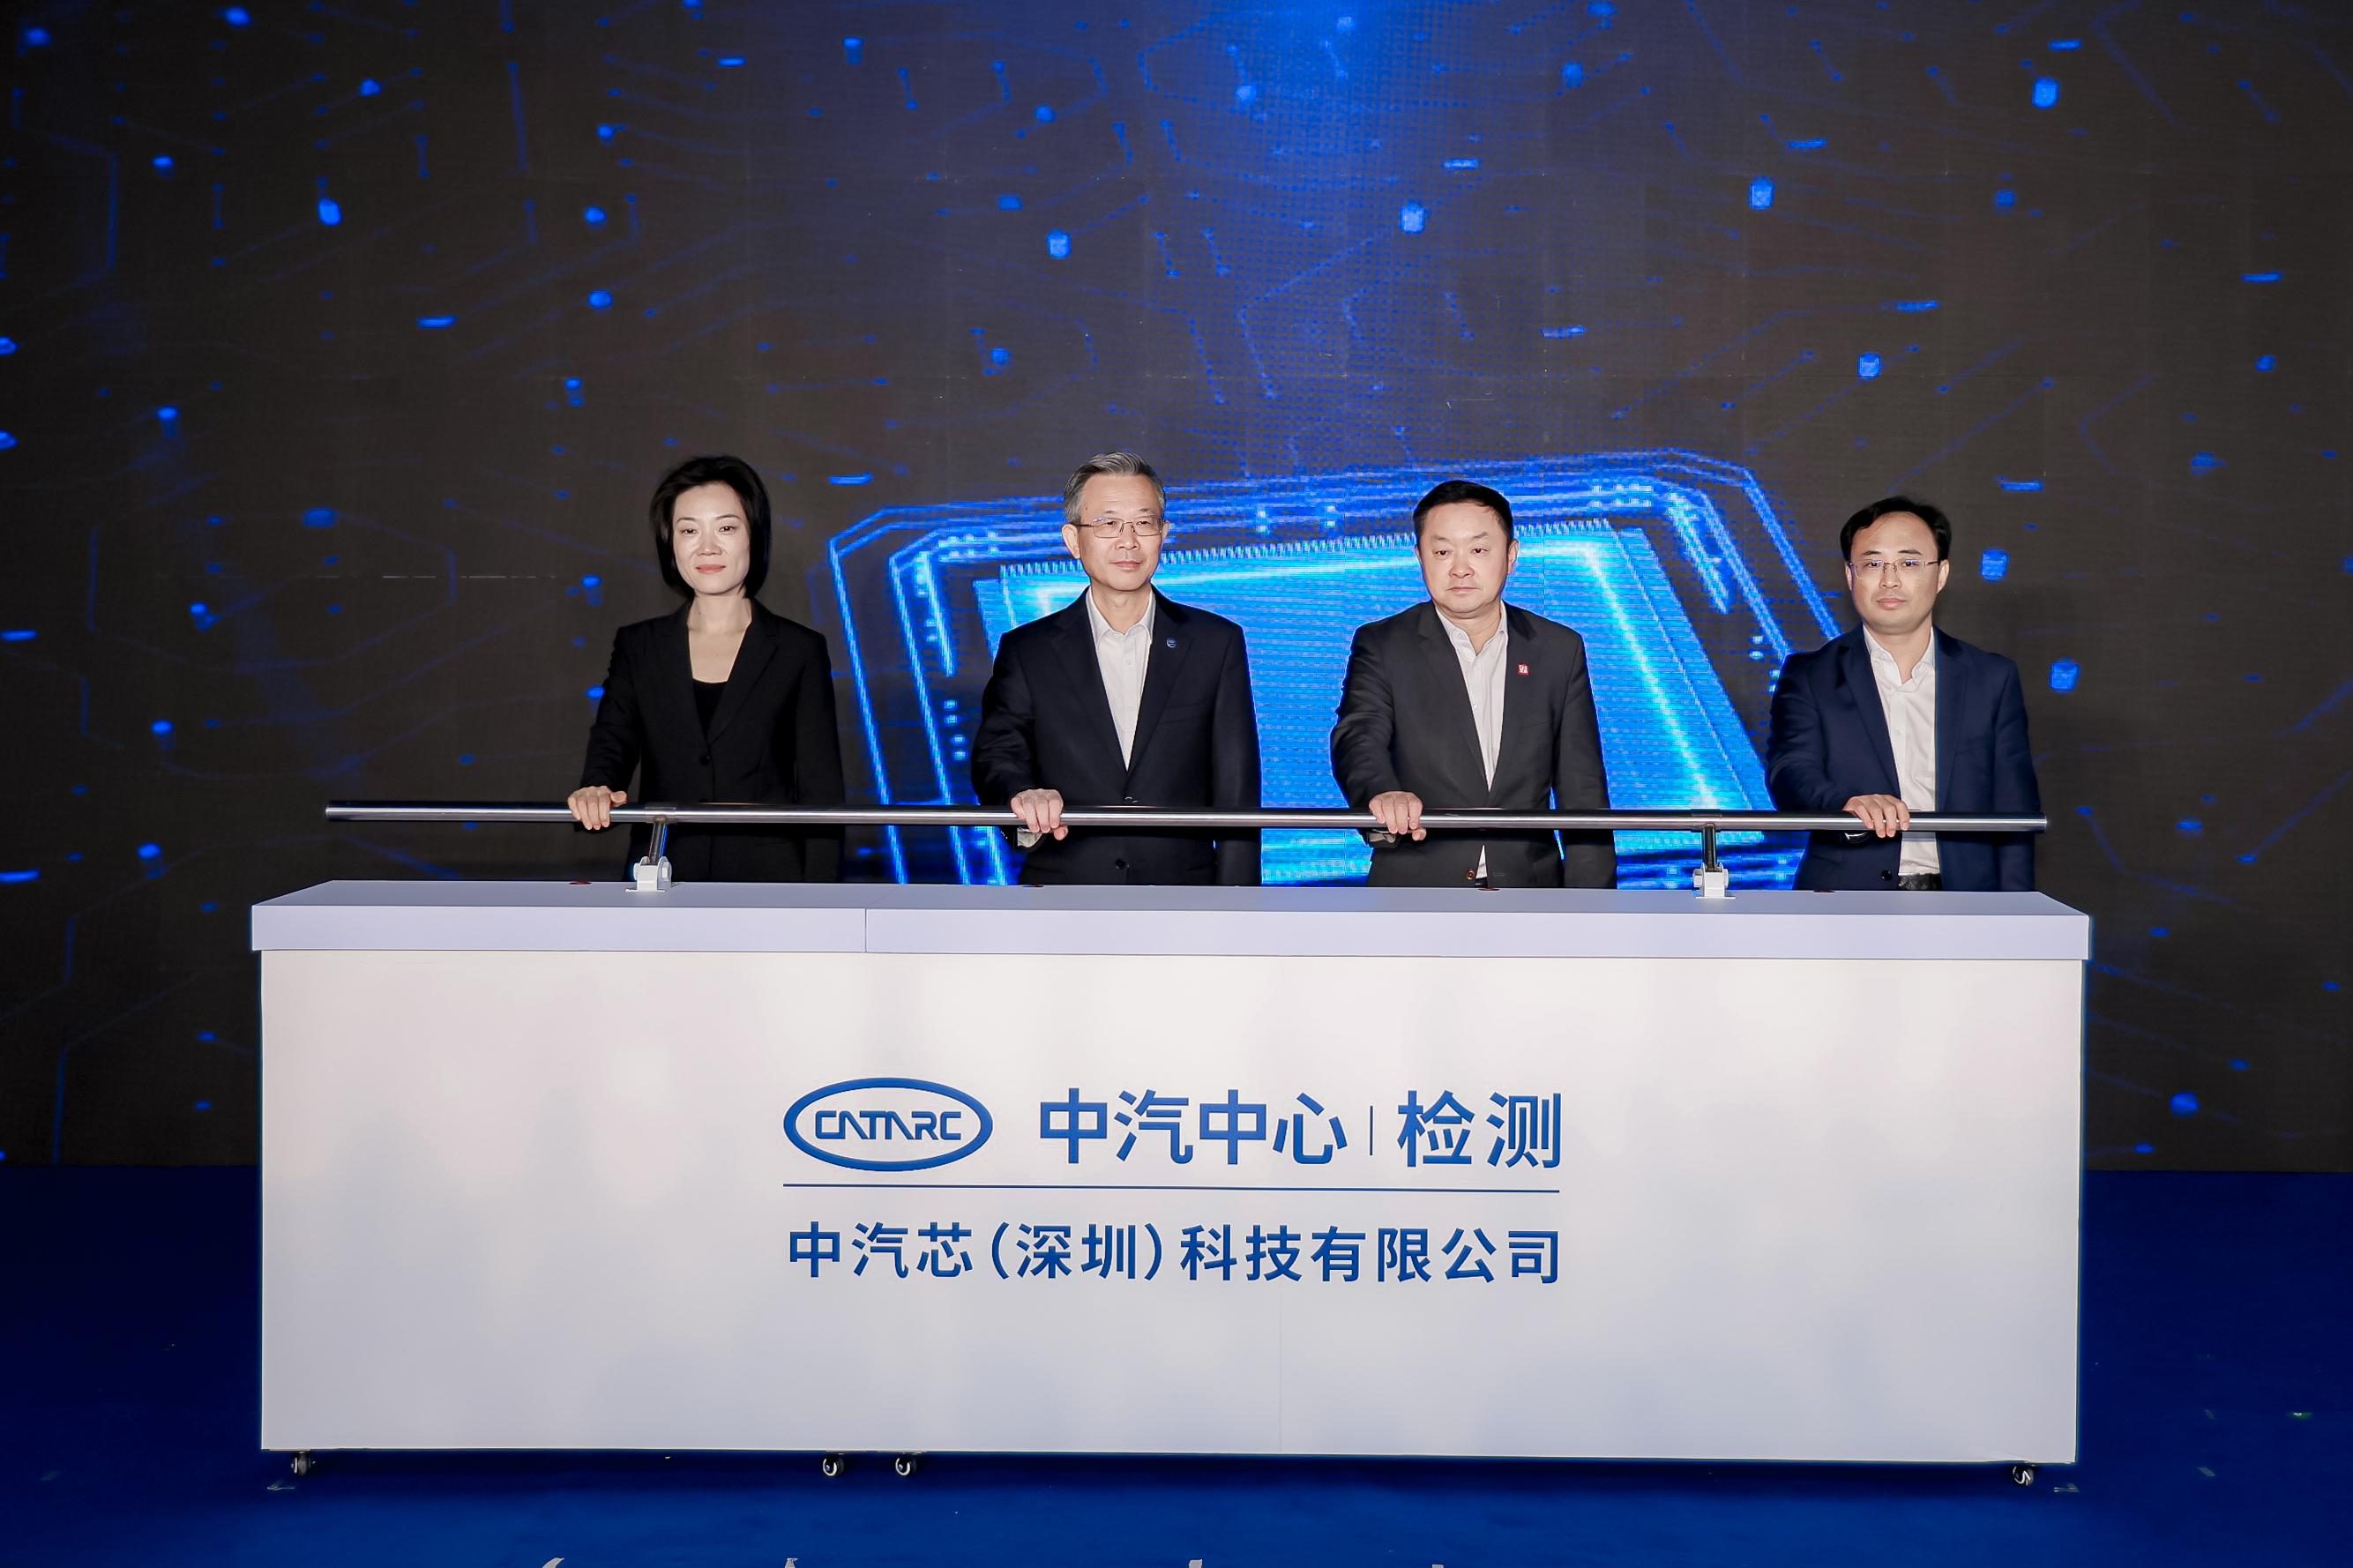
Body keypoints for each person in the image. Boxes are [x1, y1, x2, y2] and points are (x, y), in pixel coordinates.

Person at [969, 451, 1261, 885]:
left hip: (1186, 892)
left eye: (1143, 523)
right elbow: (998, 753)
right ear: (1073, 540)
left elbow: (1237, 787)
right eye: (1108, 524)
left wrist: (1238, 903)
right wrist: (1022, 794)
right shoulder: (1028, 649)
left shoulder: (1215, 642)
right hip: (1065, 887)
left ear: (1164, 534)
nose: (1128, 541)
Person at [569, 454, 844, 881]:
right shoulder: (640, 646)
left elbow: (821, 791)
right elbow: (612, 742)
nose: (707, 547)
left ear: (755, 536)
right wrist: (596, 789)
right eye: (689, 530)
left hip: (771, 881)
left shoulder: (799, 649)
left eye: (727, 528)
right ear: (670, 543)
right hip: (661, 874)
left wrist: (822, 899)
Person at [1330, 479, 1615, 888]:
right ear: (1419, 557)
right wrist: (1382, 792)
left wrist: (1594, 906)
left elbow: (1583, 791)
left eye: (1479, 550)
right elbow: (1358, 737)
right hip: (1415, 888)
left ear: (1511, 556)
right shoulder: (1383, 644)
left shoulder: (1558, 649)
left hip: (1531, 889)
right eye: (1442, 552)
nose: (1460, 568)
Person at [1766, 495, 2040, 891]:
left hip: (1966, 901)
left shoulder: (1991, 678)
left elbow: (2016, 813)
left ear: (1941, 574)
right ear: (1850, 576)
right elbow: (1790, 771)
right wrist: (1845, 804)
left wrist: (2017, 912)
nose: (1889, 580)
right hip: (1843, 898)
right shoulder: (1810, 675)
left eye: (1909, 563)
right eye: (1872, 564)